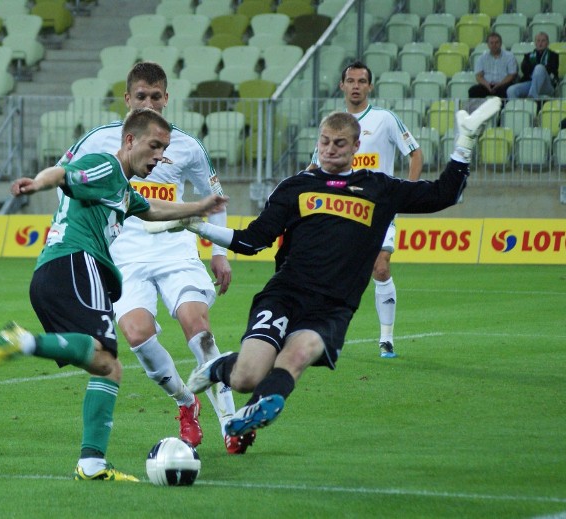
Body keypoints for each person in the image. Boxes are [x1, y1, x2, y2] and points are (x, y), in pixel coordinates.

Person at [177, 97, 502, 441]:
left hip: (333, 307)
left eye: (340, 143)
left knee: (297, 356)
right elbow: (253, 240)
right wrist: (199, 227)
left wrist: (464, 143)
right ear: (318, 142)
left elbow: (444, 193)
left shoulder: (379, 189)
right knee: (245, 378)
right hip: (285, 295)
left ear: (356, 146)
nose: (330, 150)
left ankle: (252, 415)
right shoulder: (296, 188)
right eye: (325, 142)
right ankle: (221, 367)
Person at [0, 108, 228, 481]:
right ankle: (24, 341)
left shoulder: (122, 189)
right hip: (76, 264)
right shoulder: (106, 166)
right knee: (107, 357)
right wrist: (37, 183)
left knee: (107, 365)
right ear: (129, 141)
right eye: (153, 146)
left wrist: (200, 207)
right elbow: (66, 174)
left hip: (58, 272)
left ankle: (92, 464)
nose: (160, 156)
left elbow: (152, 210)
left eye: (164, 148)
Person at [60, 62, 249, 454]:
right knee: (137, 334)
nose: (149, 102)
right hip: (123, 256)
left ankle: (231, 422)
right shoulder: (98, 140)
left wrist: (219, 253)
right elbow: (65, 182)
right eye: (141, 96)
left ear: (167, 98)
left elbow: (214, 198)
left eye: (156, 96)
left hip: (175, 250)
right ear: (127, 99)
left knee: (198, 326)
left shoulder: (186, 145)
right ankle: (186, 402)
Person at [309, 60, 423, 359]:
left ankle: (386, 339)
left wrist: (406, 193)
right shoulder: (333, 124)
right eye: (351, 81)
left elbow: (415, 153)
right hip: (341, 210)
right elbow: (316, 164)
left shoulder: (385, 119)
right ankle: (319, 335)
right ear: (342, 86)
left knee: (380, 266)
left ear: (369, 86)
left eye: (361, 81)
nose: (356, 86)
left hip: (379, 210)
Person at [506, 32, 559, 100]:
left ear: (547, 43)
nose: (540, 43)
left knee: (539, 68)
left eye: (543, 41)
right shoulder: (528, 55)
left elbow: (551, 70)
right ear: (535, 43)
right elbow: (525, 70)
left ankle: (532, 98)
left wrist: (537, 69)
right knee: (511, 90)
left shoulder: (553, 55)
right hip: (531, 83)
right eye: (538, 40)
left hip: (547, 85)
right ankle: (519, 109)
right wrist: (538, 69)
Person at [469, 32, 517, 99]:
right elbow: (479, 76)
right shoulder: (482, 57)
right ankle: (479, 109)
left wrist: (499, 84)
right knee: (473, 91)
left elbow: (511, 75)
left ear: (501, 44)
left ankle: (502, 109)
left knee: (504, 91)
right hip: (487, 85)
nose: (494, 45)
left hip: (503, 84)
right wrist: (487, 85)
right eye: (491, 43)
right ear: (488, 45)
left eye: (496, 42)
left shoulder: (509, 56)